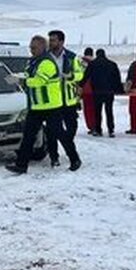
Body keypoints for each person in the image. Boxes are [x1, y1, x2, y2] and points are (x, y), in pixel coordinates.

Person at [7, 35, 80, 174]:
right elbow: (30, 76)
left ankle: (74, 159)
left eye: (34, 47)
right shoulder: (33, 62)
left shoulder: (47, 63)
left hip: (51, 106)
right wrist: (19, 76)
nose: (31, 50)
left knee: (60, 134)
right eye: (30, 47)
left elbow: (39, 81)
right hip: (36, 106)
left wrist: (21, 82)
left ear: (42, 47)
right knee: (28, 136)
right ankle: (21, 165)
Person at [45, 30, 83, 170]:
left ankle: (67, 144)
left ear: (61, 42)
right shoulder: (45, 58)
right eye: (50, 40)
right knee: (51, 130)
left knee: (71, 127)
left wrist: (72, 76)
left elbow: (80, 74)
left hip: (68, 100)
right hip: (52, 101)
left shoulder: (72, 57)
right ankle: (54, 157)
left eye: (54, 40)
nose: (51, 42)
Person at [82, 48, 122, 137]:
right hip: (109, 91)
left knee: (97, 111)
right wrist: (120, 90)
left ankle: (98, 130)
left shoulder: (92, 64)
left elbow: (86, 76)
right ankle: (111, 130)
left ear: (96, 54)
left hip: (97, 91)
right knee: (109, 111)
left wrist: (80, 85)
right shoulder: (112, 64)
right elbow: (117, 78)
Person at [80, 47, 97, 134]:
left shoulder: (81, 63)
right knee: (95, 109)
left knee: (87, 110)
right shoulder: (96, 63)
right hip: (96, 89)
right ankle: (95, 125)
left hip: (85, 89)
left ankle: (91, 126)